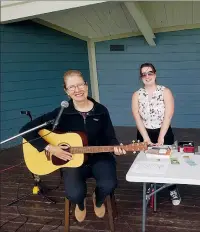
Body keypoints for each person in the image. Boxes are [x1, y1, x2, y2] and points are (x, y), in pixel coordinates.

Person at [19, 70, 126, 222]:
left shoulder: (101, 110)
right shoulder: (61, 112)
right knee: (74, 193)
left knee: (109, 184)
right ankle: (80, 204)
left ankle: (99, 198)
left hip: (99, 157)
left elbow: (110, 137)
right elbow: (25, 130)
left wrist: (116, 146)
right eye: (72, 87)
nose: (77, 90)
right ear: (66, 91)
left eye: (80, 85)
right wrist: (50, 147)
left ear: (86, 85)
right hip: (72, 160)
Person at [131, 63, 181, 205]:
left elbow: (169, 114)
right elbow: (137, 117)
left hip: (163, 131)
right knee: (147, 162)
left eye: (150, 73)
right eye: (144, 74)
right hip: (144, 132)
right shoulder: (137, 95)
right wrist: (146, 138)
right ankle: (151, 186)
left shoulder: (165, 91)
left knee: (167, 162)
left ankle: (172, 188)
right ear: (141, 77)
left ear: (155, 74)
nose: (147, 76)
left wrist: (161, 137)